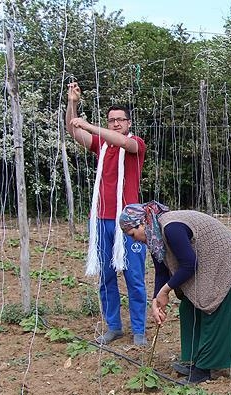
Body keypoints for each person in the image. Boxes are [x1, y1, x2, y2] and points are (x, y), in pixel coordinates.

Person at [120, 202, 231, 385]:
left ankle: (204, 369)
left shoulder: (171, 228)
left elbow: (189, 264)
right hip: (206, 259)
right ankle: (195, 360)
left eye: (132, 234)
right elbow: (162, 270)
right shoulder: (155, 237)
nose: (134, 240)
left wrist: (166, 290)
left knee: (211, 306)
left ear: (142, 223)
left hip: (225, 258)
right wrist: (156, 300)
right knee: (189, 306)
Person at [66, 81, 148, 346]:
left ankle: (139, 330)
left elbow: (122, 141)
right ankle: (114, 326)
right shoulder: (101, 147)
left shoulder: (135, 143)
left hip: (129, 221)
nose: (115, 124)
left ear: (128, 123)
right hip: (101, 218)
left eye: (119, 120)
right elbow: (74, 132)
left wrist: (89, 125)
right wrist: (72, 104)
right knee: (106, 276)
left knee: (134, 276)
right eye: (111, 120)